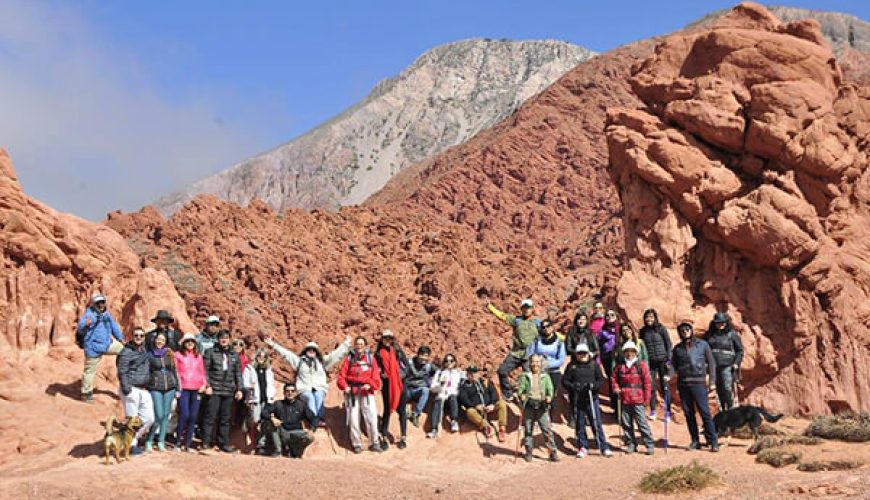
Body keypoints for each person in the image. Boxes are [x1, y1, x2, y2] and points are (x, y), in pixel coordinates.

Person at [263, 334, 351, 428]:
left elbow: (335, 355)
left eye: (313, 350)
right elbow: (286, 354)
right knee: (310, 398)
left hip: (319, 387)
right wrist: (272, 344)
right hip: (304, 388)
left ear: (316, 352)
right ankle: (313, 419)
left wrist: (346, 344)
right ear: (305, 351)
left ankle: (319, 418)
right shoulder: (299, 362)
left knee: (319, 396)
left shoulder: (322, 362)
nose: (311, 351)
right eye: (309, 349)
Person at [672, 321, 719, 452]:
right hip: (684, 384)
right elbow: (673, 366)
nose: (685, 332)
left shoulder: (702, 345)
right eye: (682, 330)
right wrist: (668, 375)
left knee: (705, 412)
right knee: (688, 413)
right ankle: (695, 441)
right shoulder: (677, 349)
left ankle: (713, 441)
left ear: (691, 330)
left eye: (687, 329)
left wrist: (712, 382)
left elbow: (711, 364)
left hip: (699, 383)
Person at [486, 298, 542, 400]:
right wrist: (490, 307)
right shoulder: (516, 320)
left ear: (532, 309)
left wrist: (563, 338)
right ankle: (508, 393)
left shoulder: (537, 322)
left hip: (530, 355)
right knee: (502, 371)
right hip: (516, 353)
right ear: (521, 309)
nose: (526, 310)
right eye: (524, 308)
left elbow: (550, 331)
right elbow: (502, 316)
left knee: (531, 377)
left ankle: (529, 397)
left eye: (528, 308)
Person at [562, 343, 612, 458]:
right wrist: (574, 386)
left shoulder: (594, 366)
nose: (582, 355)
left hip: (592, 398)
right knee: (580, 424)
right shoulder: (572, 366)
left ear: (588, 353)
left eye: (584, 353)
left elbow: (600, 380)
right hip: (578, 399)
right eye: (579, 353)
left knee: (596, 423)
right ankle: (583, 446)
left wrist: (594, 386)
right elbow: (565, 381)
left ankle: (603, 446)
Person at [336, 336, 382, 454]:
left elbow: (376, 377)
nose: (359, 346)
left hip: (367, 392)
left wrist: (370, 385)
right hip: (352, 392)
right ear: (354, 345)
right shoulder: (349, 359)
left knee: (371, 417)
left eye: (362, 344)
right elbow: (341, 376)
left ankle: (374, 442)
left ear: (366, 346)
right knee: (353, 418)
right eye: (357, 344)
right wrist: (345, 387)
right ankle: (356, 443)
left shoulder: (371, 359)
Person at [201, 330, 244, 453]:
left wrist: (239, 389)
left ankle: (223, 443)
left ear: (229, 339)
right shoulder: (210, 352)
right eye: (221, 338)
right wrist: (207, 385)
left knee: (226, 418)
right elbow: (205, 370)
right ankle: (206, 442)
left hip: (228, 390)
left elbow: (238, 374)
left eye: (226, 338)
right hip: (214, 389)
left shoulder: (234, 355)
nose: (224, 340)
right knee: (210, 417)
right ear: (218, 339)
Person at [77, 293, 125, 403]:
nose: (101, 305)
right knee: (89, 371)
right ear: (94, 304)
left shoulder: (106, 315)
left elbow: (114, 327)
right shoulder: (89, 314)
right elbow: (80, 327)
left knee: (124, 350)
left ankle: (122, 369)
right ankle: (86, 393)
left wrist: (121, 338)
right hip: (93, 347)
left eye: (102, 302)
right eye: (98, 303)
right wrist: (86, 324)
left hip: (107, 344)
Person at [611, 341, 654, 455]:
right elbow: (613, 378)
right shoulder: (620, 366)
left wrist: (647, 399)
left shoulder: (641, 365)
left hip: (638, 398)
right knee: (626, 423)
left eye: (632, 351)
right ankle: (631, 444)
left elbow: (647, 383)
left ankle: (649, 444)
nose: (629, 354)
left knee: (642, 423)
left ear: (636, 352)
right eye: (627, 352)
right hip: (624, 398)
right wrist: (616, 388)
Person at [116, 327, 154, 456]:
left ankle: (128, 438)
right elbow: (122, 371)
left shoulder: (144, 350)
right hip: (131, 388)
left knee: (149, 418)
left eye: (141, 335)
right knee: (132, 419)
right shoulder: (126, 351)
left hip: (143, 389)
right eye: (136, 335)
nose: (139, 337)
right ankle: (131, 446)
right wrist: (127, 389)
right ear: (131, 337)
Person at [517, 355, 558, 462]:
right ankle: (529, 452)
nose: (535, 364)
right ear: (530, 363)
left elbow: (550, 390)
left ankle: (553, 452)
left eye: (537, 362)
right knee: (528, 430)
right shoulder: (525, 376)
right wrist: (521, 395)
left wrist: (549, 397)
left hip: (542, 406)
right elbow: (520, 390)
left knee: (546, 430)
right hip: (529, 405)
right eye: (533, 362)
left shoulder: (546, 376)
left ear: (540, 364)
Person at [374, 329, 410, 450]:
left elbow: (407, 366)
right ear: (382, 339)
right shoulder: (378, 353)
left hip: (400, 384)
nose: (387, 340)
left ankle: (403, 437)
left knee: (402, 411)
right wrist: (381, 374)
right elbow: (376, 368)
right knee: (387, 410)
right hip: (387, 385)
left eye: (390, 338)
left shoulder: (398, 351)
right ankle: (384, 436)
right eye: (385, 338)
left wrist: (400, 375)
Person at [144, 332, 179, 452]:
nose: (160, 342)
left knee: (165, 415)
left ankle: (161, 442)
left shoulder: (169, 354)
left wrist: (178, 387)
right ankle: (149, 439)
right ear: (154, 340)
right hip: (155, 387)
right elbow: (146, 371)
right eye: (158, 339)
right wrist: (147, 385)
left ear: (165, 342)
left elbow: (174, 370)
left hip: (170, 386)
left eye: (162, 340)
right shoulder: (149, 354)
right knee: (158, 415)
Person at [704, 312, 744, 411]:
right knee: (718, 390)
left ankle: (731, 410)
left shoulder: (732, 335)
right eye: (718, 323)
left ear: (726, 323)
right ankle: (723, 412)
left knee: (727, 389)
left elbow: (740, 351)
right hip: (713, 366)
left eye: (723, 322)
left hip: (728, 366)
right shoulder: (709, 335)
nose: (721, 325)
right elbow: (703, 349)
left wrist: (736, 363)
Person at [458, 365, 507, 442]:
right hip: (477, 409)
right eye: (470, 373)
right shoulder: (463, 386)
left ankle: (502, 429)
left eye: (475, 373)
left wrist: (492, 404)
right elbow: (464, 400)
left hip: (489, 407)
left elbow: (494, 393)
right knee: (469, 412)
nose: (473, 375)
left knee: (502, 403)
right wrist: (475, 406)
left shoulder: (485, 381)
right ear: (467, 375)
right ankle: (486, 426)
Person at [174, 333, 206, 452]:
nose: (190, 343)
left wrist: (204, 384)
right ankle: (178, 442)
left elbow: (202, 371)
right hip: (184, 388)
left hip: (197, 388)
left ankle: (188, 444)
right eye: (188, 341)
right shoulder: (178, 355)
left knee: (193, 416)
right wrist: (177, 387)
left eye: (192, 341)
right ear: (183, 343)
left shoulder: (198, 356)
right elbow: (175, 372)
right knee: (184, 414)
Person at [639, 308, 673, 421]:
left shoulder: (661, 329)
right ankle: (653, 411)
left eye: (651, 317)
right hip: (651, 362)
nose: (649, 319)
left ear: (655, 318)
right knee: (651, 387)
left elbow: (668, 344)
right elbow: (641, 347)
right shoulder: (643, 331)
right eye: (647, 317)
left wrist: (669, 360)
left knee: (665, 386)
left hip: (663, 361)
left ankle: (668, 412)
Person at [266, 384, 316, 458]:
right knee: (271, 424)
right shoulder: (278, 404)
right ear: (284, 392)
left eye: (292, 391)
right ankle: (278, 451)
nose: (290, 393)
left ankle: (295, 452)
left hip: (296, 433)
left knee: (310, 437)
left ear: (296, 393)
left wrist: (312, 429)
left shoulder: (301, 405)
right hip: (282, 433)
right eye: (287, 391)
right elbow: (264, 412)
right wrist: (272, 418)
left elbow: (314, 418)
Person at [243, 348, 277, 454]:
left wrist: (271, 396)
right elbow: (245, 383)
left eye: (264, 357)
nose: (261, 358)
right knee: (255, 420)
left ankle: (261, 445)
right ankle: (253, 442)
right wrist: (249, 388)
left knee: (265, 422)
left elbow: (271, 384)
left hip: (266, 399)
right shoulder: (250, 368)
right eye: (259, 356)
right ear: (256, 357)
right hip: (255, 399)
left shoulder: (268, 370)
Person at [527, 319, 567, 396]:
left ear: (552, 327)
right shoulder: (536, 342)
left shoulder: (559, 343)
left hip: (553, 372)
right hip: (539, 371)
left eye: (548, 326)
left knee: (550, 395)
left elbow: (561, 360)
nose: (546, 328)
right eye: (543, 327)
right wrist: (537, 363)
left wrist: (547, 364)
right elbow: (530, 354)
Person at [427, 354, 463, 438]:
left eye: (451, 361)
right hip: (442, 395)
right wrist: (440, 385)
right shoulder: (439, 373)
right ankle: (434, 429)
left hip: (453, 397)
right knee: (438, 401)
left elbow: (467, 380)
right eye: (446, 361)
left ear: (455, 362)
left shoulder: (459, 373)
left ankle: (454, 421)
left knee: (453, 397)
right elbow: (432, 388)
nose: (449, 363)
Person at [404, 346, 436, 428]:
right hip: (407, 389)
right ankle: (404, 410)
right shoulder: (409, 362)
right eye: (422, 355)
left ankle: (416, 414)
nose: (424, 358)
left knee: (425, 390)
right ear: (418, 354)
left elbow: (440, 372)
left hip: (418, 391)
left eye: (426, 356)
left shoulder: (429, 366)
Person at [598, 309, 620, 408]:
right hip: (607, 358)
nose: (609, 317)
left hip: (620, 358)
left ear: (616, 317)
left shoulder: (620, 329)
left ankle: (623, 406)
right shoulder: (603, 332)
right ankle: (615, 405)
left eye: (612, 315)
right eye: (607, 315)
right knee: (612, 380)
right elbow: (598, 346)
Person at [231, 337, 250, 429]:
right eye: (235, 344)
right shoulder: (228, 356)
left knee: (242, 403)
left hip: (241, 383)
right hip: (230, 383)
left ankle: (240, 421)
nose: (238, 346)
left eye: (241, 345)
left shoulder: (245, 358)